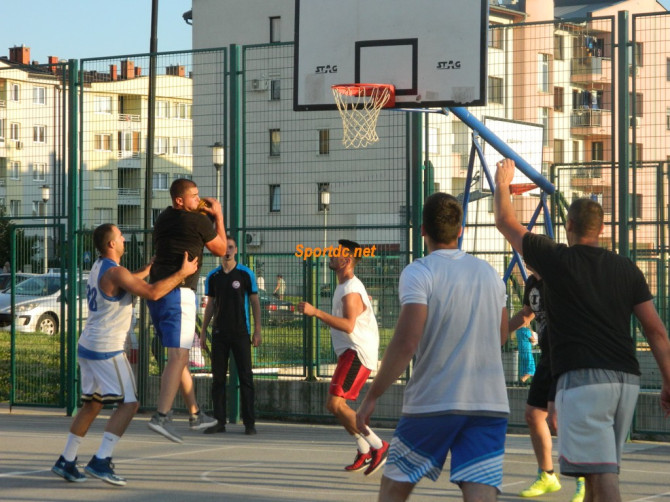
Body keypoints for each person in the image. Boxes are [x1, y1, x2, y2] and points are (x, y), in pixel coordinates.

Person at [494, 158, 670, 502]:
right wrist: (667, 380)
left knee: (603, 478)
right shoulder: (627, 268)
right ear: (602, 229)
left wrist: (502, 183)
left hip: (584, 381)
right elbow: (656, 332)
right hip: (626, 382)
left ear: (569, 225)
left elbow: (505, 222)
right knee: (595, 475)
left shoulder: (556, 259)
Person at [356, 193, 509, 501]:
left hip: (434, 401)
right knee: (480, 491)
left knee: (394, 487)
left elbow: (406, 342)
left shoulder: (419, 272)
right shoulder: (490, 274)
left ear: (422, 229)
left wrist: (372, 396)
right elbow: (501, 335)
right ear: (461, 230)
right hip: (488, 402)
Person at [51, 223, 198, 485]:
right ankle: (101, 460)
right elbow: (152, 293)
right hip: (106, 349)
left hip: (88, 345)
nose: (123, 239)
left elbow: (127, 280)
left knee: (93, 404)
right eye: (120, 236)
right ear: (111, 244)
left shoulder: (100, 266)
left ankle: (66, 459)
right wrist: (182, 273)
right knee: (129, 404)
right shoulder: (116, 272)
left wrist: (148, 269)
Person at [147, 178, 228, 443]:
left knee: (178, 356)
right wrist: (218, 217)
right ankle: (161, 416)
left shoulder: (163, 218)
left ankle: (195, 413)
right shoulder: (196, 221)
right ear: (179, 200)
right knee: (178, 356)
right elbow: (222, 249)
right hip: (179, 294)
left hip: (158, 293)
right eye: (194, 196)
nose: (199, 199)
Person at [298, 239, 387, 476]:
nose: (331, 255)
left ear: (346, 260)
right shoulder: (345, 285)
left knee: (336, 404)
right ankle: (364, 450)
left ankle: (378, 446)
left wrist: (315, 312)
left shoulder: (351, 290)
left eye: (336, 253)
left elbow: (348, 325)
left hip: (357, 352)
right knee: (335, 405)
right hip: (350, 352)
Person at [509, 270, 585, 501]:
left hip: (567, 354)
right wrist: (499, 331)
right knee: (533, 415)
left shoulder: (560, 277)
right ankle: (547, 475)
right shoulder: (532, 282)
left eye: (525, 254)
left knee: (557, 419)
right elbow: (526, 314)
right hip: (547, 356)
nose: (523, 258)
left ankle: (585, 477)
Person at [199, 235, 262, 435]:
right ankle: (219, 421)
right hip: (219, 333)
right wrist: (203, 332)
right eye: (224, 248)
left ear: (236, 250)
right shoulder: (213, 276)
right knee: (218, 379)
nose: (227, 251)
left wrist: (257, 330)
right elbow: (210, 305)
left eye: (231, 247)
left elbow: (254, 302)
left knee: (246, 377)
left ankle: (249, 423)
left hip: (241, 332)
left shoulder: (245, 274)